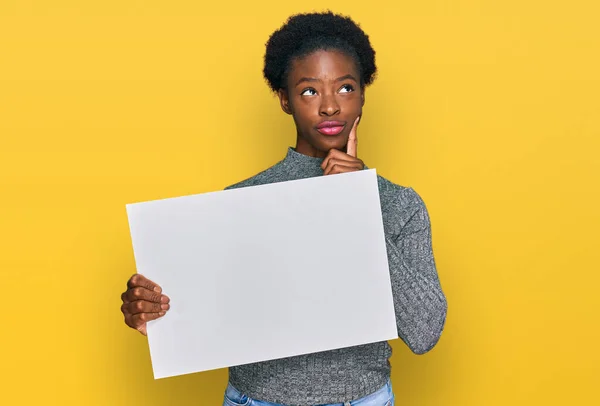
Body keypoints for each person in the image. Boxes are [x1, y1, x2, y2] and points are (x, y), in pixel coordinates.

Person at [120, 11, 447, 406]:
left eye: (345, 88)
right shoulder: (239, 203)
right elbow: (208, 315)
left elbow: (425, 331)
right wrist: (154, 314)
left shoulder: (397, 204)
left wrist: (357, 206)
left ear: (362, 94)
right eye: (310, 91)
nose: (329, 106)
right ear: (285, 100)